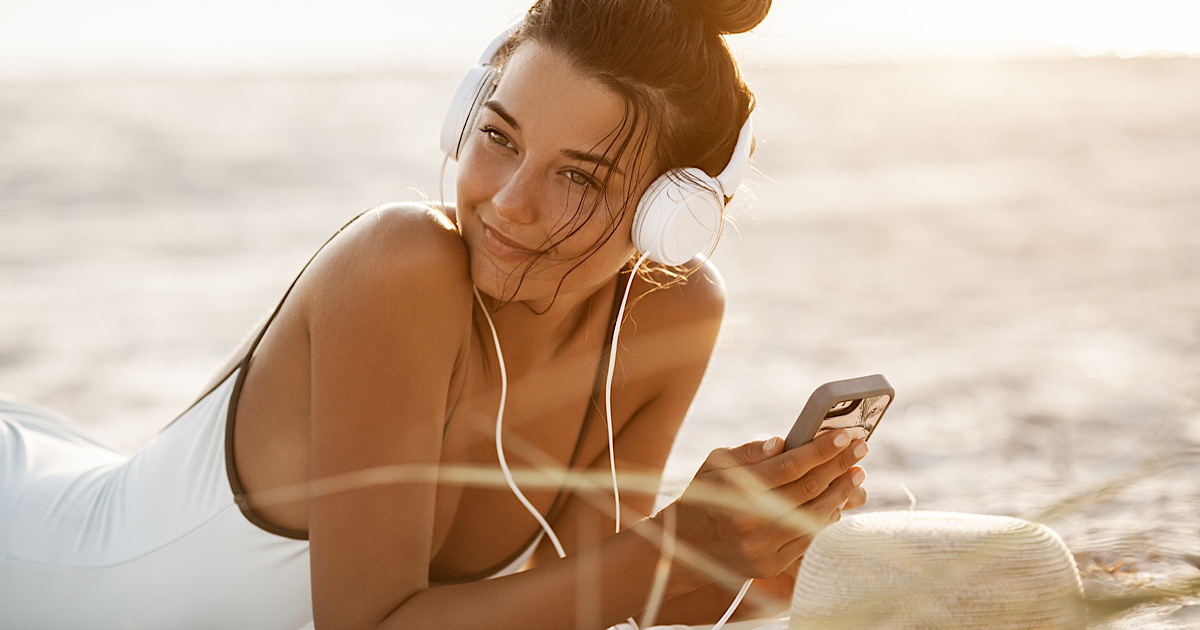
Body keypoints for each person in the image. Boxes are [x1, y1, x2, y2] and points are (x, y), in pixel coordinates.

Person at [0, 0, 870, 628]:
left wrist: (746, 563)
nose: (506, 203)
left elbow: (577, 604)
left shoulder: (669, 320)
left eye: (579, 176)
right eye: (498, 137)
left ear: (670, 214)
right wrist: (676, 544)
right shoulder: (401, 266)